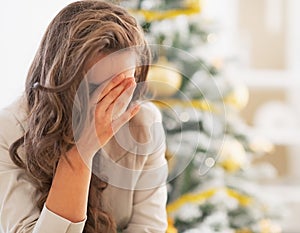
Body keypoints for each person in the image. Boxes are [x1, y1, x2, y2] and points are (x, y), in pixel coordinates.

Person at [0, 1, 168, 232]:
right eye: (95, 88)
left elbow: (148, 227)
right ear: (60, 80)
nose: (112, 104)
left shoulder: (143, 122)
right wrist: (81, 152)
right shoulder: (8, 129)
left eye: (122, 86)